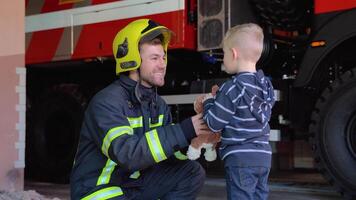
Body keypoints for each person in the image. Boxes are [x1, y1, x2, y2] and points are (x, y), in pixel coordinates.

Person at [70, 19, 211, 200]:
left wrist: (194, 141)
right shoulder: (106, 102)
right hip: (98, 191)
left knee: (191, 173)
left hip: (133, 185)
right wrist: (184, 130)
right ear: (132, 60)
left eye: (163, 57)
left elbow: (165, 153)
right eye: (154, 58)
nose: (162, 64)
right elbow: (128, 155)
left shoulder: (156, 103)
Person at [194, 23, 276, 200]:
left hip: (240, 158)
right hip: (263, 157)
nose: (223, 59)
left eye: (224, 54)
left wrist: (209, 102)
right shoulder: (266, 86)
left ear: (234, 54)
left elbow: (213, 122)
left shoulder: (232, 88)